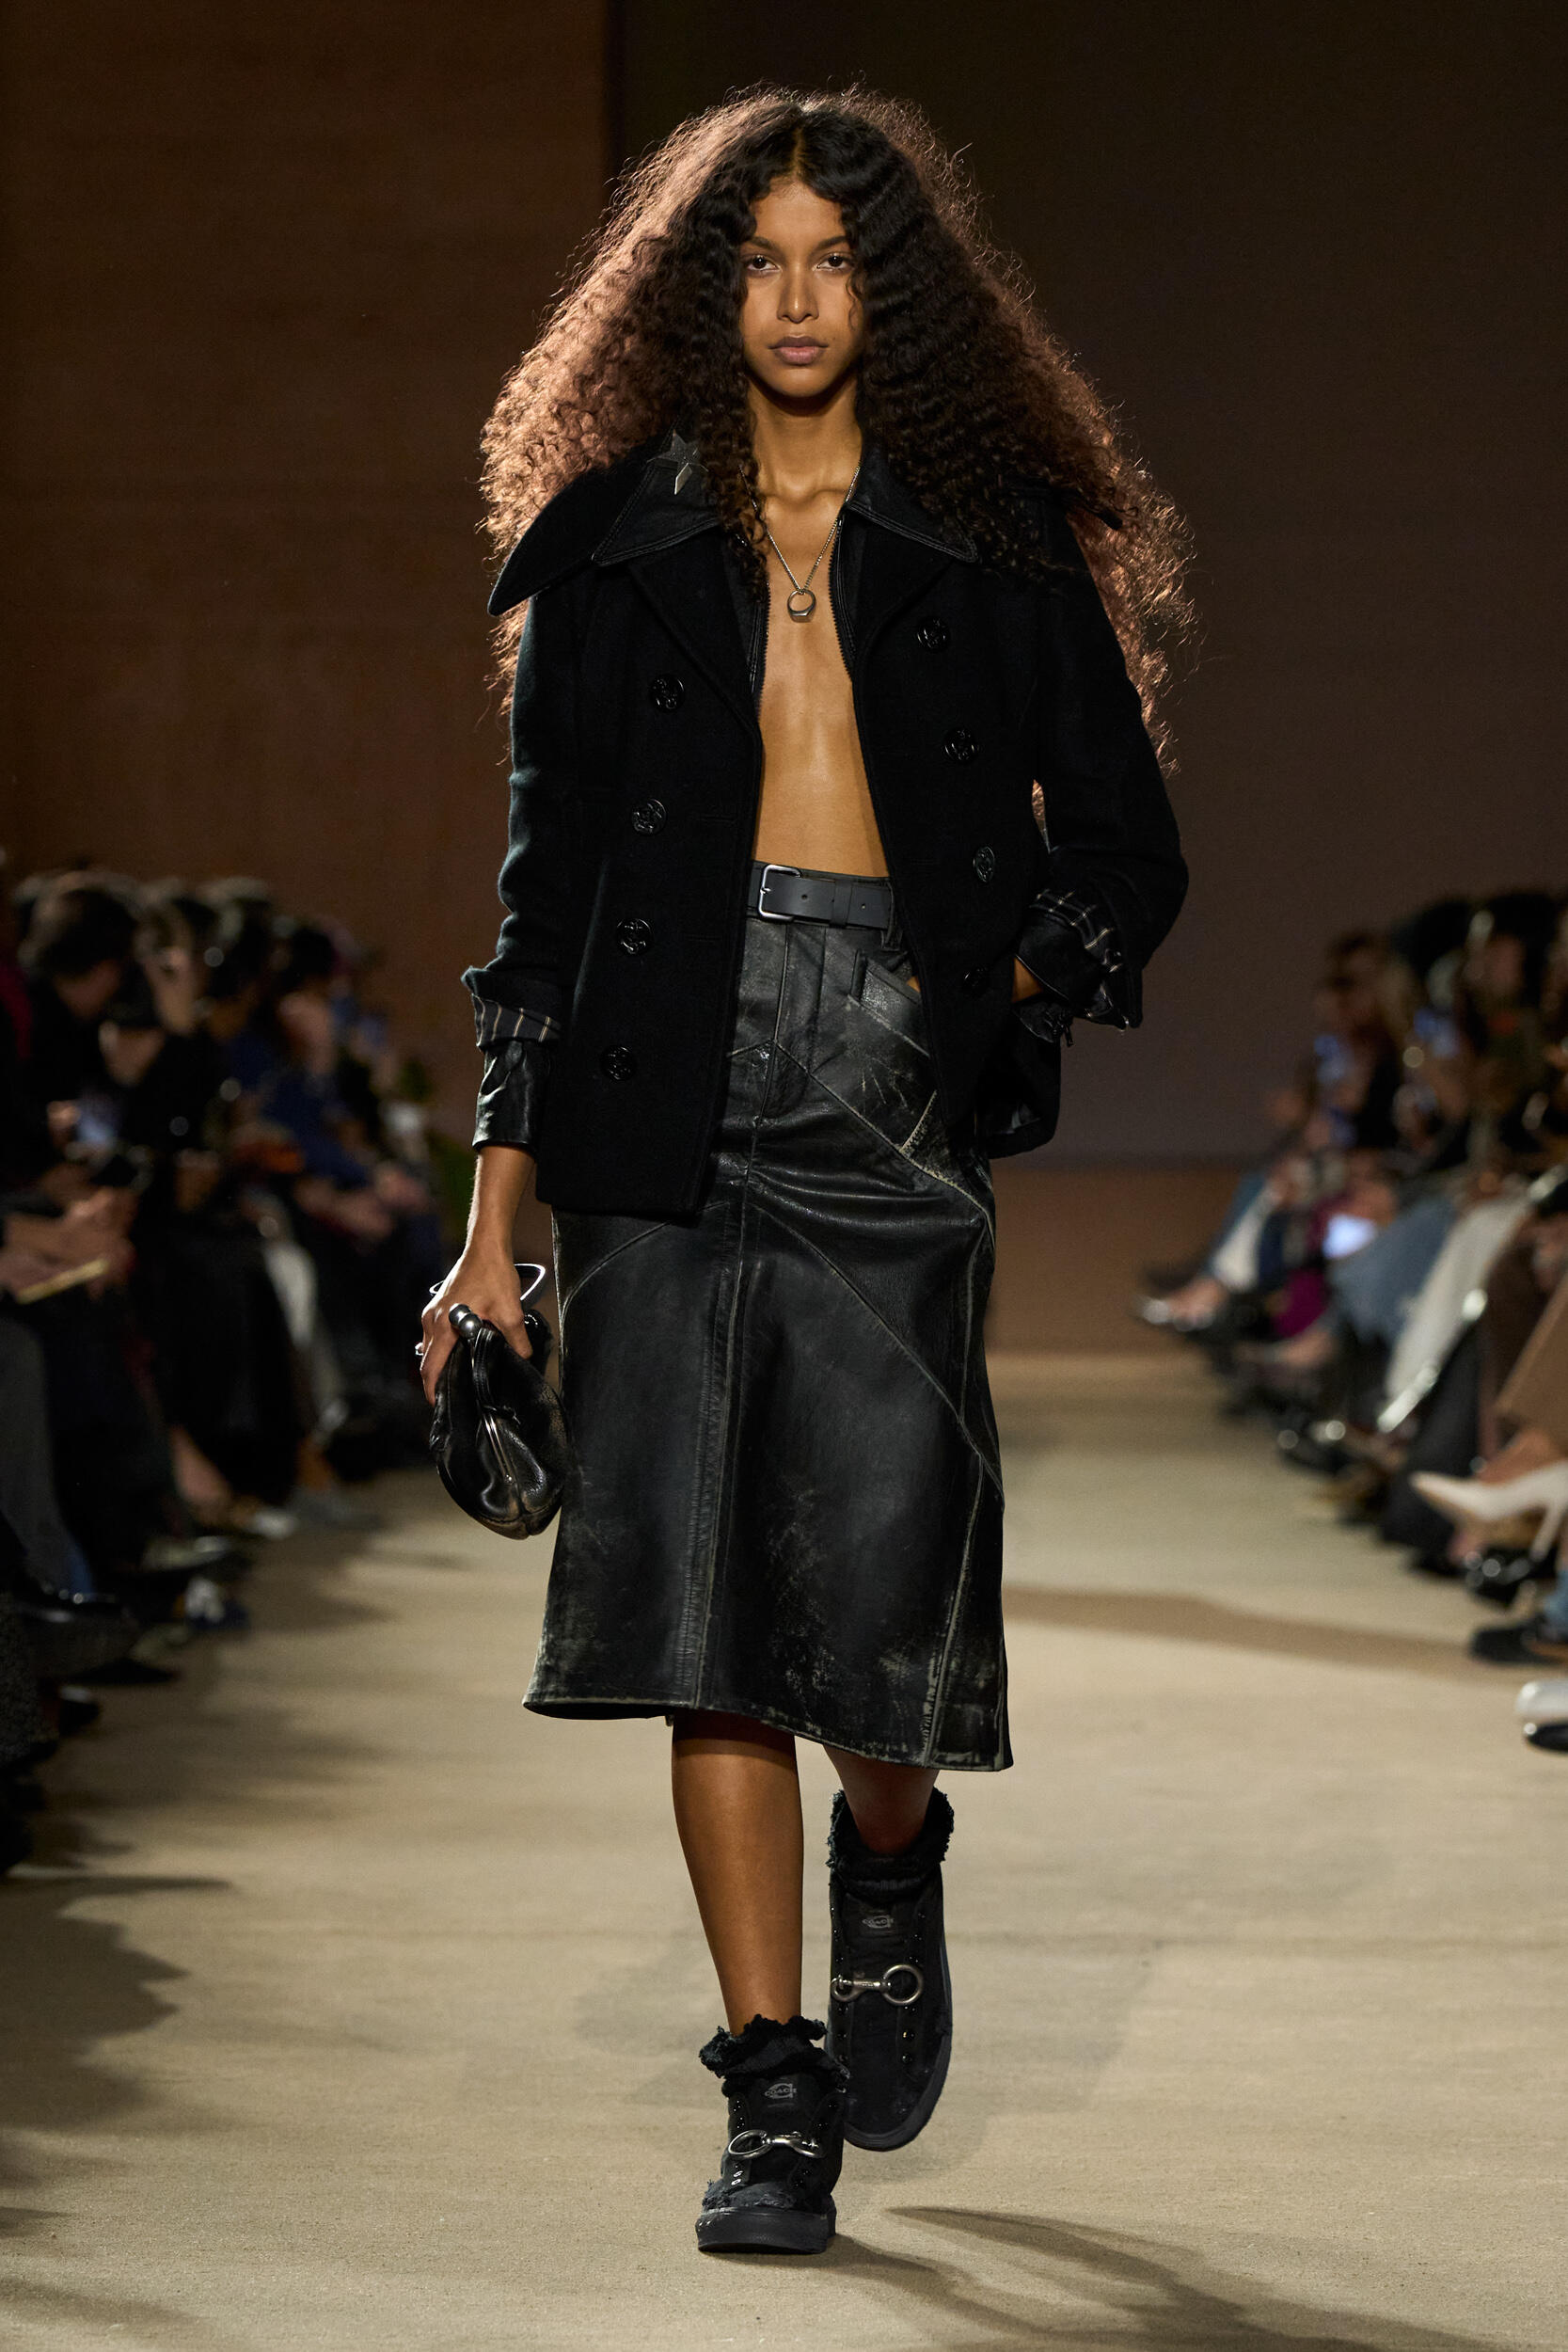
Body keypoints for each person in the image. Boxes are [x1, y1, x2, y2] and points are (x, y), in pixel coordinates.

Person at [419, 88, 1189, 2255]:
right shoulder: (609, 547)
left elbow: (1128, 851)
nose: (792, 298)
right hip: (653, 1091)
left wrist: (977, 983)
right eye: (752, 258)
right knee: (703, 1613)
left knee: (879, 1582)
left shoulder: (999, 543)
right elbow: (542, 906)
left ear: (895, 291)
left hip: (888, 1089)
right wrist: (492, 1223)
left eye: (833, 260)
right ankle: (774, 2085)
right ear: (697, 290)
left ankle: (893, 1848)